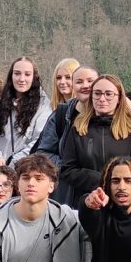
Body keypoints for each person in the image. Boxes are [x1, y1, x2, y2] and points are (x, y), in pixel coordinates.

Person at [61, 73, 131, 198]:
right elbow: (67, 170)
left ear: (119, 99)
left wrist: (115, 182)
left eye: (109, 94)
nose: (102, 99)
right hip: (86, 200)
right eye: (97, 93)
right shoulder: (78, 129)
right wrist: (99, 180)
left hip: (121, 201)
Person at [35, 64, 97, 205]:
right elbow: (44, 152)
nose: (85, 85)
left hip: (96, 192)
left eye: (90, 81)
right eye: (79, 82)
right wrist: (70, 168)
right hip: (64, 193)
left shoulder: (108, 117)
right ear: (73, 86)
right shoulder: (62, 114)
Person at [0, 56, 53, 166]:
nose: (21, 79)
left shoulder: (44, 107)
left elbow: (40, 141)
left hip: (28, 172)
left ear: (34, 77)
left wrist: (15, 163)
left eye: (27, 74)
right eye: (17, 73)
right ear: (11, 76)